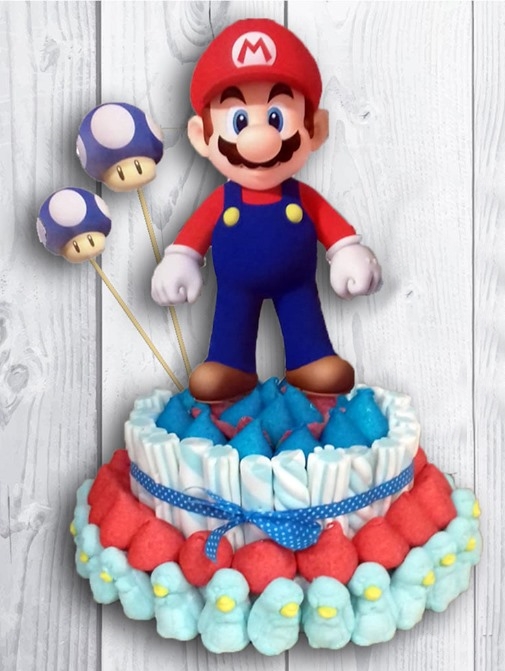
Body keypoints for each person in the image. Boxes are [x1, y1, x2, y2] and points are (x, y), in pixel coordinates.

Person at [152, 19, 381, 401]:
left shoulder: (304, 198)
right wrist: (181, 259)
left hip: (297, 283)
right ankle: (229, 364)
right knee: (231, 319)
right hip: (235, 287)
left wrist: (348, 252)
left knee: (303, 315)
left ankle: (311, 358)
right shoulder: (220, 201)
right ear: (201, 137)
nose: (260, 138)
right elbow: (194, 235)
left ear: (315, 129)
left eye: (276, 118)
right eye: (239, 121)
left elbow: (333, 229)